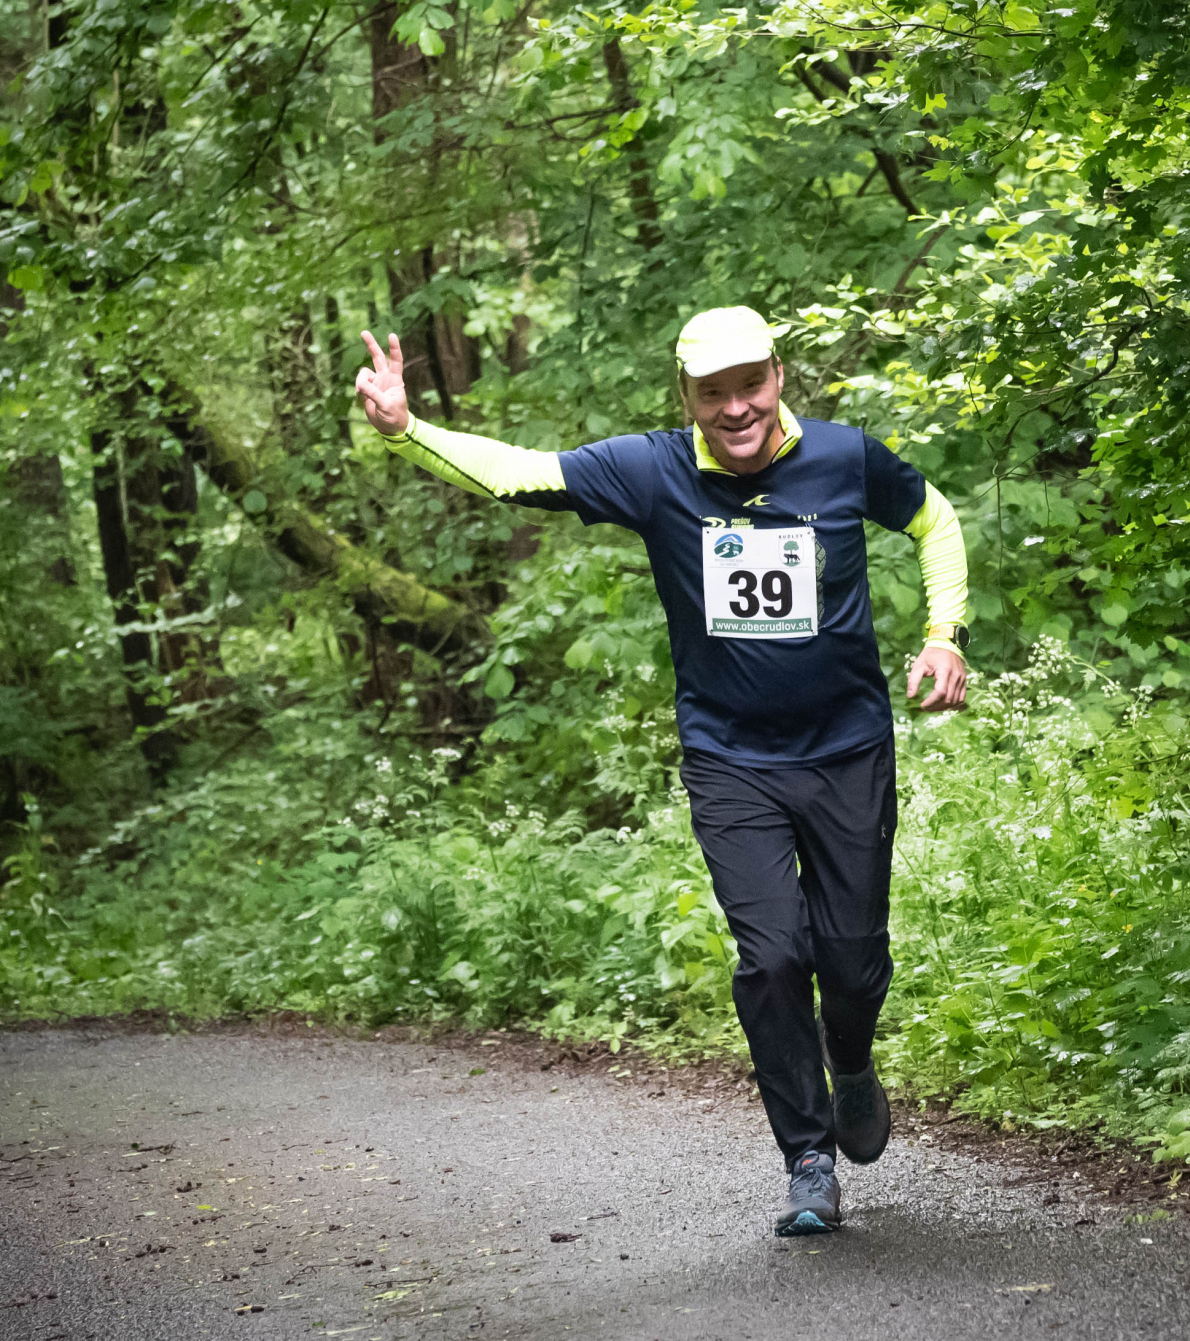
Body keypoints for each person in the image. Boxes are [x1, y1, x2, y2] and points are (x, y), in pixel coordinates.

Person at [355, 305, 969, 1236]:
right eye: (714, 392)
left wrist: (943, 634)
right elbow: (521, 474)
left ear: (778, 377)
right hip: (731, 759)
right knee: (773, 957)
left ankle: (849, 1054)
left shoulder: (845, 457)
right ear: (686, 395)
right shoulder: (654, 471)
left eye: (751, 385)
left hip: (847, 748)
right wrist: (408, 430)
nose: (736, 407)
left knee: (851, 960)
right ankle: (807, 1157)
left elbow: (936, 519)